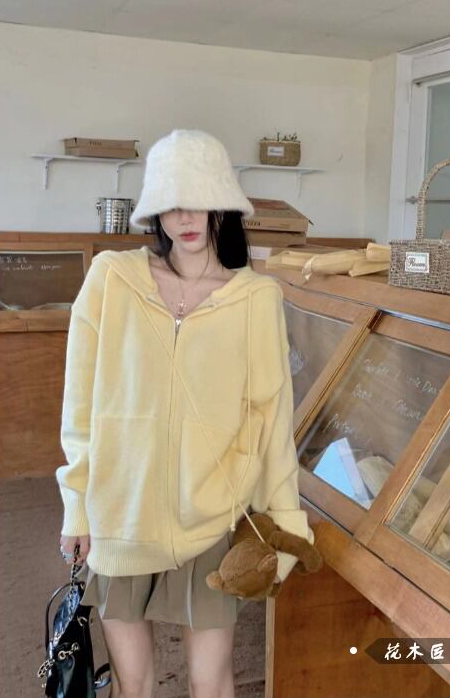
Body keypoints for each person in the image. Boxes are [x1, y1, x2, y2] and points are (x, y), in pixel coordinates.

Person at [55, 129, 314, 698]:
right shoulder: (111, 279)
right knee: (133, 685)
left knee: (210, 682)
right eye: (169, 204)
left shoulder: (256, 298)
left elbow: (272, 420)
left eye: (197, 200)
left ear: (223, 202)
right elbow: (80, 403)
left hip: (212, 519)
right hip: (120, 512)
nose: (184, 218)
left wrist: (284, 522)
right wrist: (76, 505)